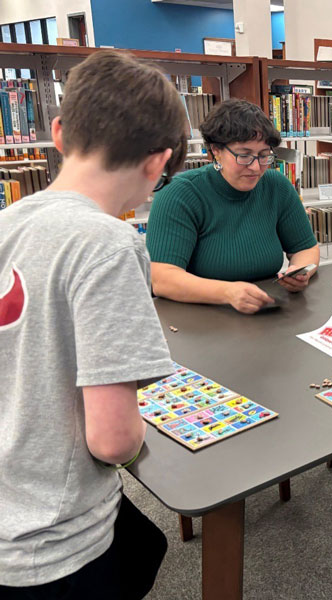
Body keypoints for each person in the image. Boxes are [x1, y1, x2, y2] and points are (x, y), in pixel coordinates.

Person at [0, 50, 185, 599]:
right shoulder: (108, 245)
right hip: (53, 544)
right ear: (158, 163)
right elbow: (112, 439)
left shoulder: (9, 222)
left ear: (58, 132)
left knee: (145, 545)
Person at [147, 99, 319, 314]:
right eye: (244, 155)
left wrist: (301, 271)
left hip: (266, 312)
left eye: (264, 155)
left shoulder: (277, 186)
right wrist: (228, 292)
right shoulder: (181, 194)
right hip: (198, 320)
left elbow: (305, 248)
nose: (256, 167)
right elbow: (162, 278)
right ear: (216, 150)